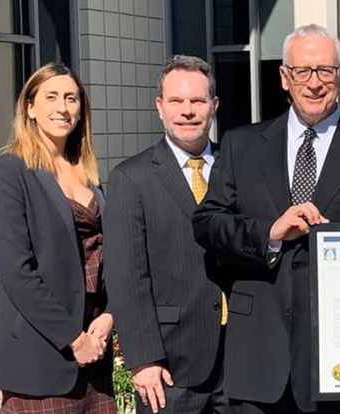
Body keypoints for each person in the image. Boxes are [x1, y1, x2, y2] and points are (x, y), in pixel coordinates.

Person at [192, 24, 340, 413]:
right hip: (257, 360)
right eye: (302, 71)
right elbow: (207, 223)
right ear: (284, 77)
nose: (314, 83)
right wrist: (269, 234)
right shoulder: (241, 145)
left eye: (325, 70)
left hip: (339, 368)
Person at [0, 62, 114, 413]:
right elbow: (17, 273)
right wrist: (73, 338)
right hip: (42, 354)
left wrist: (110, 314)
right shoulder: (10, 171)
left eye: (71, 98)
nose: (63, 107)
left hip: (94, 354)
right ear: (30, 107)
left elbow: (108, 253)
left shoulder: (88, 174)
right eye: (51, 97)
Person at [104, 55, 227, 414]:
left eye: (197, 101)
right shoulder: (131, 178)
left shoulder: (238, 167)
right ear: (160, 107)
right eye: (176, 101)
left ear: (214, 106)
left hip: (239, 361)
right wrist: (143, 360)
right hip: (170, 366)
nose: (187, 111)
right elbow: (127, 276)